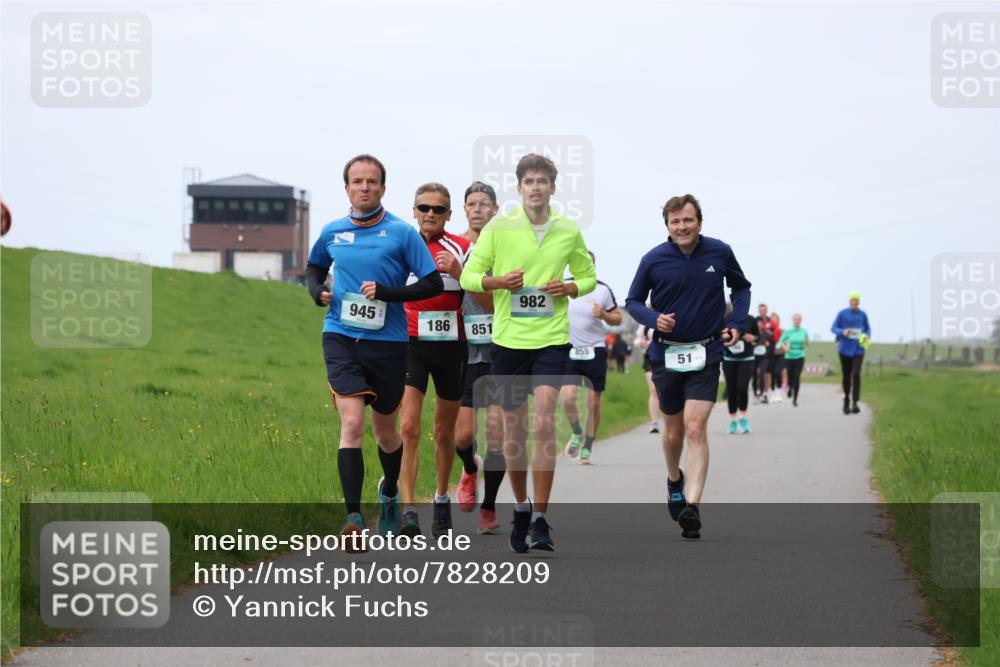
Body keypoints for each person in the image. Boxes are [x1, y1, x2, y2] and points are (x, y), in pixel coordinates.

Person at [460, 153, 597, 553]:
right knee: (515, 432)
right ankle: (520, 507)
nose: (536, 187)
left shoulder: (568, 230)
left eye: (543, 181)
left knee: (542, 425)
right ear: (519, 188)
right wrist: (497, 281)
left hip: (552, 340)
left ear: (553, 187)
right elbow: (469, 275)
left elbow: (587, 276)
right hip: (509, 341)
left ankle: (540, 517)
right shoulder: (500, 228)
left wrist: (570, 288)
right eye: (529, 181)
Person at [305, 154, 443, 549]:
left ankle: (389, 495)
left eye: (372, 181)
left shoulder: (401, 233)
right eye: (357, 181)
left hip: (390, 343)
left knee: (386, 434)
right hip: (341, 336)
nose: (364, 187)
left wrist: (389, 293)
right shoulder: (332, 231)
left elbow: (432, 283)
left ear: (383, 188)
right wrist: (318, 292)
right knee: (351, 425)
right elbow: (313, 269)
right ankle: (352, 519)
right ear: (346, 187)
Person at [626, 193, 751, 540]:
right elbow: (633, 301)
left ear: (699, 222)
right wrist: (653, 319)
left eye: (688, 220)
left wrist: (737, 325)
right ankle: (674, 479)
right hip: (665, 354)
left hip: (706, 354)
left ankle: (692, 507)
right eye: (675, 221)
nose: (682, 226)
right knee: (673, 433)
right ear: (667, 225)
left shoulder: (719, 252)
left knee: (696, 427)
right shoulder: (653, 259)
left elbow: (742, 288)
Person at [397, 183, 472, 539]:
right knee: (409, 426)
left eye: (438, 209)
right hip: (411, 343)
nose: (430, 214)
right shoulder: (401, 244)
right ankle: (409, 507)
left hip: (451, 345)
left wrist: (460, 273)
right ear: (414, 211)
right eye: (424, 208)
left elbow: (483, 302)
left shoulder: (463, 247)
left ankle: (442, 499)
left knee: (445, 432)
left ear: (449, 215)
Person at [453, 181, 507, 535]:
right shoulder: (454, 247)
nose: (477, 209)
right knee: (462, 436)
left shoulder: (507, 248)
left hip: (503, 351)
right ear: (464, 209)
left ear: (495, 210)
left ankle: (489, 507)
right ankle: (470, 469)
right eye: (471, 203)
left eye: (484, 204)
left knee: (498, 435)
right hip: (464, 353)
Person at [561, 251, 622, 465]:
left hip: (595, 350)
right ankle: (576, 431)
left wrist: (604, 315)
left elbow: (617, 318)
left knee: (593, 402)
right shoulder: (563, 286)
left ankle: (587, 446)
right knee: (567, 397)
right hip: (569, 349)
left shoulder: (602, 289)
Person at [831, 292, 871, 414]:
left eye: (856, 301)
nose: (854, 303)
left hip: (859, 348)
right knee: (847, 375)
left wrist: (867, 336)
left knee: (856, 374)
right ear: (849, 302)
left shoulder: (863, 314)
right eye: (852, 301)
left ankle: (855, 402)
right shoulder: (842, 314)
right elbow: (833, 328)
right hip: (845, 349)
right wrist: (842, 332)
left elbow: (868, 328)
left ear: (858, 302)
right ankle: (846, 400)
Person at [722, 304, 759, 434]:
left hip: (747, 359)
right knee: (731, 390)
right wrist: (726, 336)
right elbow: (719, 334)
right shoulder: (726, 318)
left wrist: (752, 338)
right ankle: (733, 420)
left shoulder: (751, 319)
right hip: (729, 359)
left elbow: (757, 337)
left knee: (742, 388)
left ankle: (743, 418)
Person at [634, 323, 661, 433]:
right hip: (650, 358)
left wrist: (650, 343)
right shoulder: (645, 322)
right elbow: (637, 340)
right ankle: (654, 423)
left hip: (669, 357)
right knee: (654, 390)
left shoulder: (670, 315)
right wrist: (641, 343)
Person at [778, 313, 810, 406]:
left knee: (797, 376)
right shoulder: (789, 331)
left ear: (801, 321)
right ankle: (790, 387)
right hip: (789, 355)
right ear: (792, 320)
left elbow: (808, 342)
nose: (797, 321)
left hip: (800, 354)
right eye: (795, 320)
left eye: (798, 320)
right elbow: (781, 341)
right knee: (790, 376)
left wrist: (806, 342)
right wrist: (784, 347)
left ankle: (795, 399)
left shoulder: (804, 331)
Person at [753, 303, 773, 402]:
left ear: (766, 310)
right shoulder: (755, 320)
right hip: (757, 353)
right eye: (760, 310)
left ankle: (765, 393)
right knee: (758, 373)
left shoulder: (770, 321)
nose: (762, 312)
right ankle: (758, 391)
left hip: (768, 352)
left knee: (767, 374)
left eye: (763, 310)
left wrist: (769, 341)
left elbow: (774, 335)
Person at [768, 312, 785, 403]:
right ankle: (773, 393)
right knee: (772, 374)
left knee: (777, 372)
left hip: (780, 355)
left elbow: (786, 342)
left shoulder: (781, 331)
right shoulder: (768, 331)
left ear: (778, 321)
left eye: (775, 319)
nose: (773, 321)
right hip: (770, 355)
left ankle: (778, 393)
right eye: (772, 320)